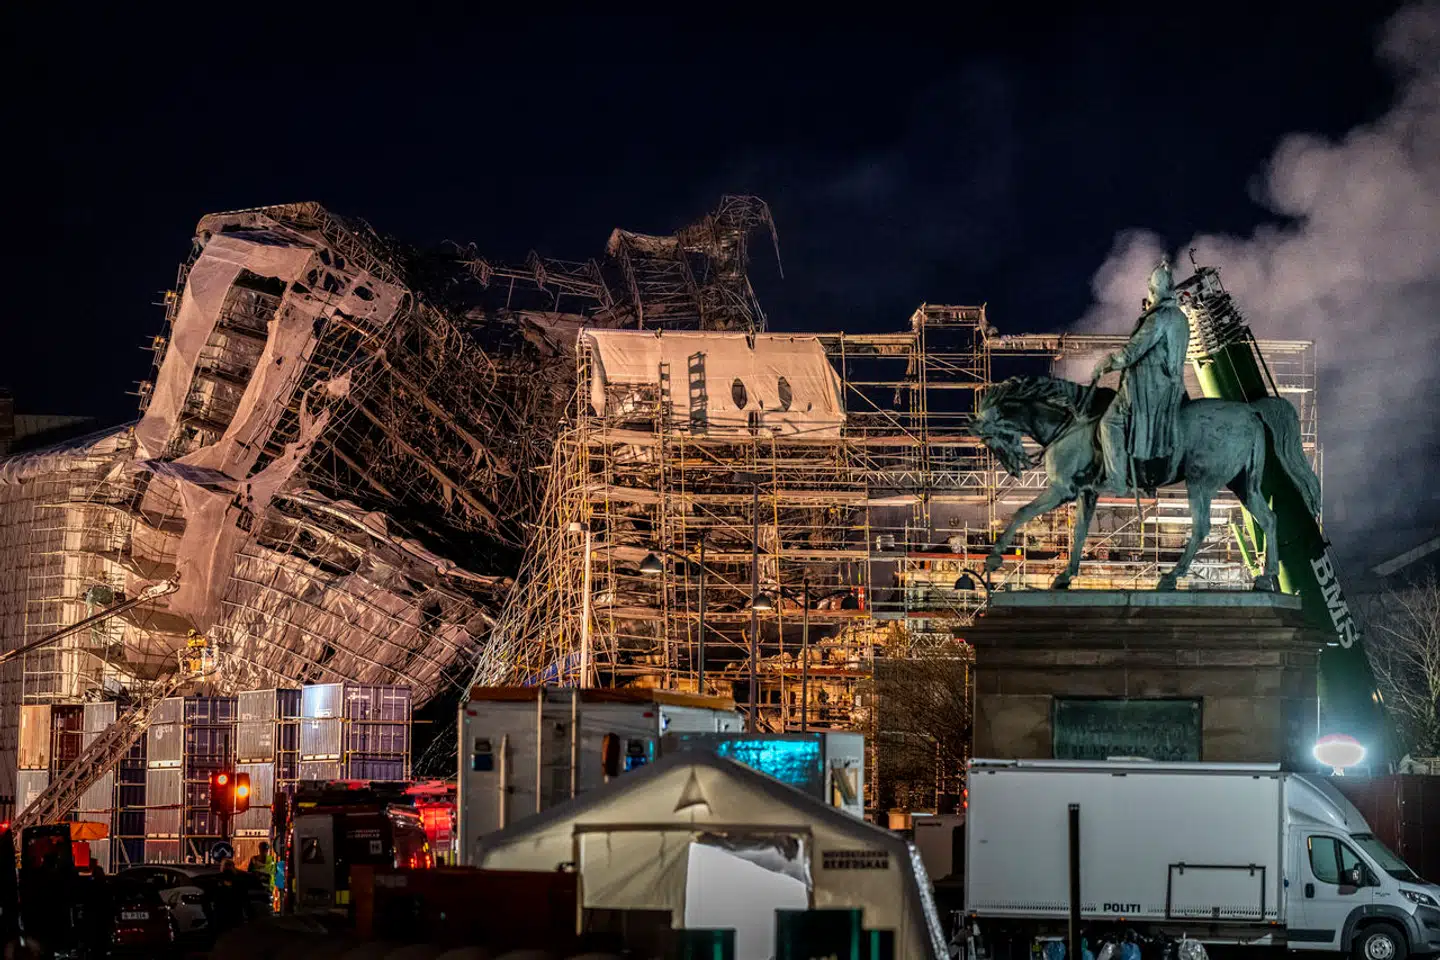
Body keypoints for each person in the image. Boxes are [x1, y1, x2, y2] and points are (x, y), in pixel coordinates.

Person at [1092, 259, 1190, 493]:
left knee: (1110, 422)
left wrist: (1107, 363)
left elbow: (1131, 353)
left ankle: (1116, 481)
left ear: (1153, 291)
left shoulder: (1158, 319)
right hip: (1173, 386)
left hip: (1150, 387)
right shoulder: (1180, 318)